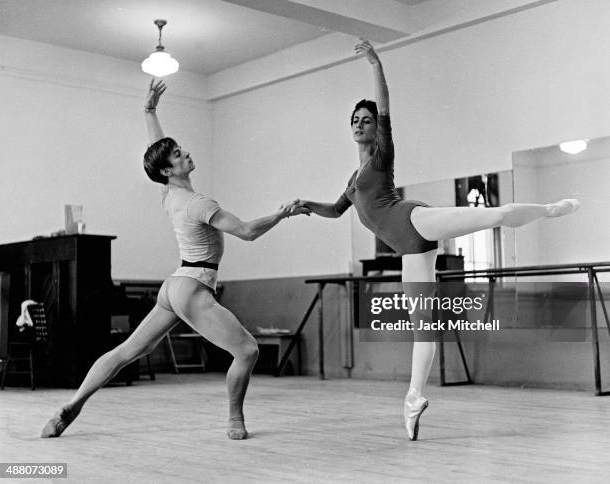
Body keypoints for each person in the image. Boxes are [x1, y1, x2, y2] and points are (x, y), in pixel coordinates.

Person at [300, 40, 579, 441]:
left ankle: (548, 209)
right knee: (423, 330)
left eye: (366, 119)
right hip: (409, 251)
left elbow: (385, 104)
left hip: (415, 220)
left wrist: (375, 63)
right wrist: (304, 205)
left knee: (492, 215)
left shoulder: (382, 153)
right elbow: (334, 210)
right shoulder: (351, 180)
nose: (360, 124)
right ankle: (413, 399)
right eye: (355, 120)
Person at [40, 79, 309, 441]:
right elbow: (246, 231)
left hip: (174, 287)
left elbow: (157, 154)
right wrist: (281, 215)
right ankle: (234, 419)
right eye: (178, 155)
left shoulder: (169, 195)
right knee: (247, 350)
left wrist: (149, 112)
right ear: (168, 170)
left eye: (182, 149)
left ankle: (72, 405)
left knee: (126, 352)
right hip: (193, 287)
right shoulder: (200, 204)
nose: (185, 154)